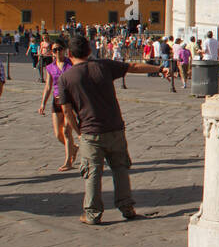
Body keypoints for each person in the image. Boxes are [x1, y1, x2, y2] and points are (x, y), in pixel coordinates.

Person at [57, 33, 160, 225]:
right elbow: (134, 66)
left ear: (69, 53)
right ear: (89, 50)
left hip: (90, 131)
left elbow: (67, 111)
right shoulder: (103, 66)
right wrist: (160, 68)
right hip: (115, 128)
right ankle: (127, 207)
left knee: (92, 173)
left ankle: (92, 214)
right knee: (120, 169)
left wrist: (78, 132)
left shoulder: (65, 79)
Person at [39, 38, 78, 170]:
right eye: (54, 50)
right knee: (58, 134)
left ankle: (68, 161)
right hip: (56, 100)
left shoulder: (71, 64)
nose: (57, 52)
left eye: (59, 49)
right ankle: (73, 148)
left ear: (64, 50)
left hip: (70, 100)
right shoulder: (50, 67)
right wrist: (42, 103)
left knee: (67, 132)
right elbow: (48, 86)